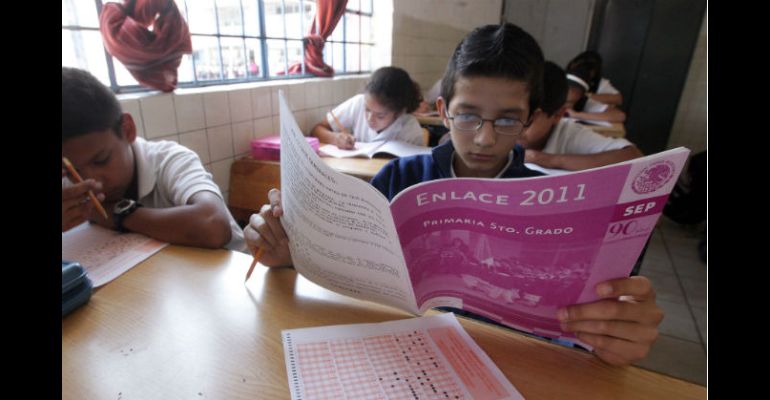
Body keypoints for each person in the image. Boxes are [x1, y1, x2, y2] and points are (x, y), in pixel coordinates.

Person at [247, 24, 664, 367]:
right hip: (399, 356)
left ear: (531, 120)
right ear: (444, 110)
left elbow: (577, 333)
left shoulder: (547, 198)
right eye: (467, 115)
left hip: (504, 365)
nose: (483, 138)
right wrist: (292, 255)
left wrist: (610, 336)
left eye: (507, 120)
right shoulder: (399, 179)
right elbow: (350, 271)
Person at [62, 67, 246, 252]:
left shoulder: (170, 160)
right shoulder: (68, 184)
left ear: (127, 130)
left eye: (102, 160)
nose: (93, 182)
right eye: (73, 172)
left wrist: (117, 214)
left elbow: (213, 225)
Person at [519, 61, 642, 172]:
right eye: (507, 118)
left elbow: (633, 156)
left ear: (558, 115)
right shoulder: (502, 132)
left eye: (527, 121)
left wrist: (549, 159)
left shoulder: (568, 133)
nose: (513, 128)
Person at [310, 66, 425, 149]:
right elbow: (317, 129)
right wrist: (335, 138)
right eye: (367, 110)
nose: (370, 119)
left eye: (380, 116)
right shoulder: (358, 102)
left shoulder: (411, 130)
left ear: (399, 112)